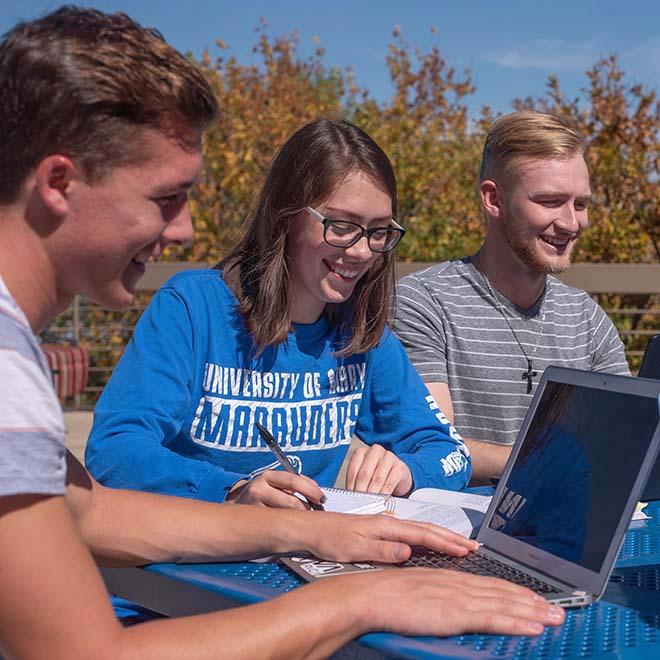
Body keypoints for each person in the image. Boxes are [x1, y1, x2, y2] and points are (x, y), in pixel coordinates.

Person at [0, 7, 564, 657]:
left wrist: (314, 536)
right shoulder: (29, 362)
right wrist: (355, 597)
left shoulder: (18, 354)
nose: (183, 230)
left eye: (378, 232)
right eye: (165, 199)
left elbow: (91, 510)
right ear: (58, 183)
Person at [85, 118, 472, 508]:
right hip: (195, 551)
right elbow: (114, 452)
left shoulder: (362, 334)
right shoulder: (192, 307)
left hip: (301, 551)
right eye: (341, 226)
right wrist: (232, 492)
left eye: (379, 230)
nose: (362, 251)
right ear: (286, 217)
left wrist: (408, 472)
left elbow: (451, 454)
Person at [392, 111, 630, 484]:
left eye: (580, 204)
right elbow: (432, 446)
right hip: (462, 530)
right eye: (550, 201)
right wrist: (548, 464)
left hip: (569, 525)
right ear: (494, 199)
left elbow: (623, 440)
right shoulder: (423, 303)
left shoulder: (587, 319)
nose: (571, 223)